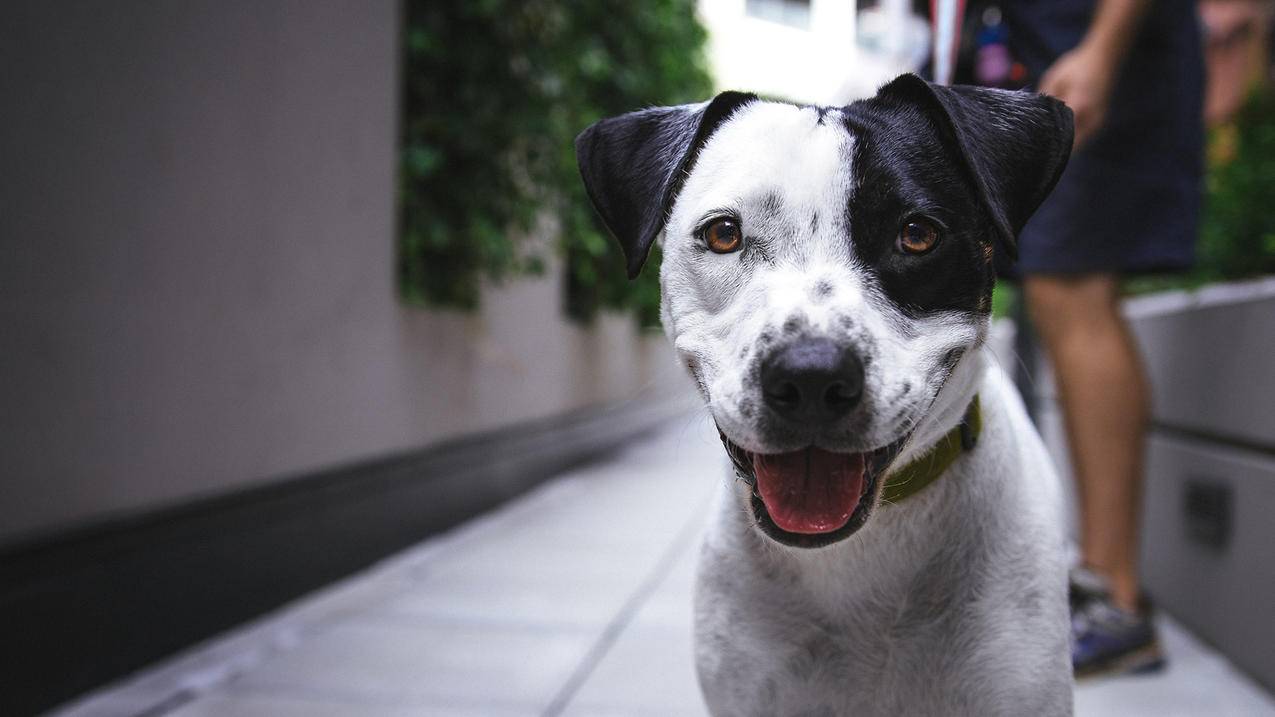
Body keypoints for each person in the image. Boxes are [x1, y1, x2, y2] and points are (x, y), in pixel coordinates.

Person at [998, 0, 1205, 679]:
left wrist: (1102, 50)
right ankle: (1099, 588)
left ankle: (1114, 599)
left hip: (1090, 58)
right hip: (1059, 54)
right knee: (1060, 288)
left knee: (1072, 287)